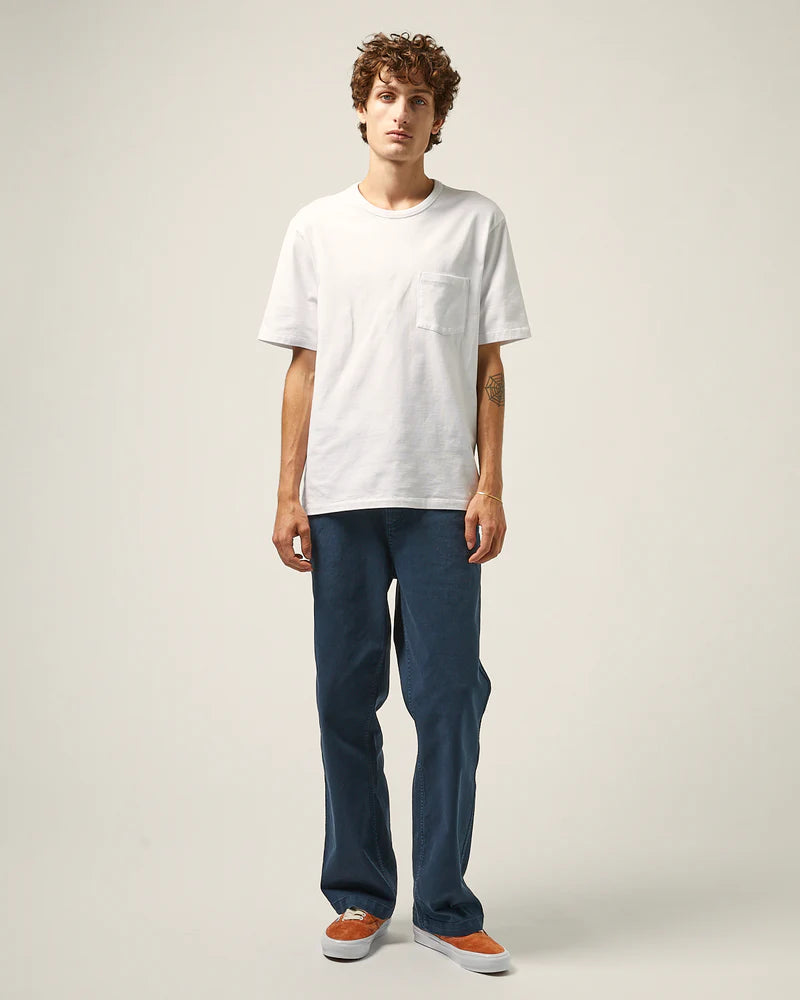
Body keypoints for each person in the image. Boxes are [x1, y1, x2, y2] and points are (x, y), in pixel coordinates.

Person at [257, 31, 531, 975]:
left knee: (449, 696)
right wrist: (287, 492)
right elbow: (303, 367)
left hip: (441, 498)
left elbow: (491, 365)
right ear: (361, 108)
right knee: (344, 696)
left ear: (438, 117)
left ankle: (446, 906)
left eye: (418, 100)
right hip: (340, 495)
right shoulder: (316, 229)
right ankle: (361, 895)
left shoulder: (476, 223)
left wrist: (491, 484)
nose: (401, 113)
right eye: (385, 95)